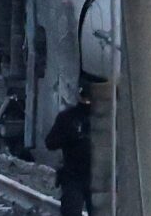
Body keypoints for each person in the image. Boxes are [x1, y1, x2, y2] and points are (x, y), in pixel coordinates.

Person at [45, 87, 94, 216]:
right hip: (74, 176)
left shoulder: (104, 119)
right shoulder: (68, 117)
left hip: (98, 178)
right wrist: (70, 136)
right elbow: (50, 142)